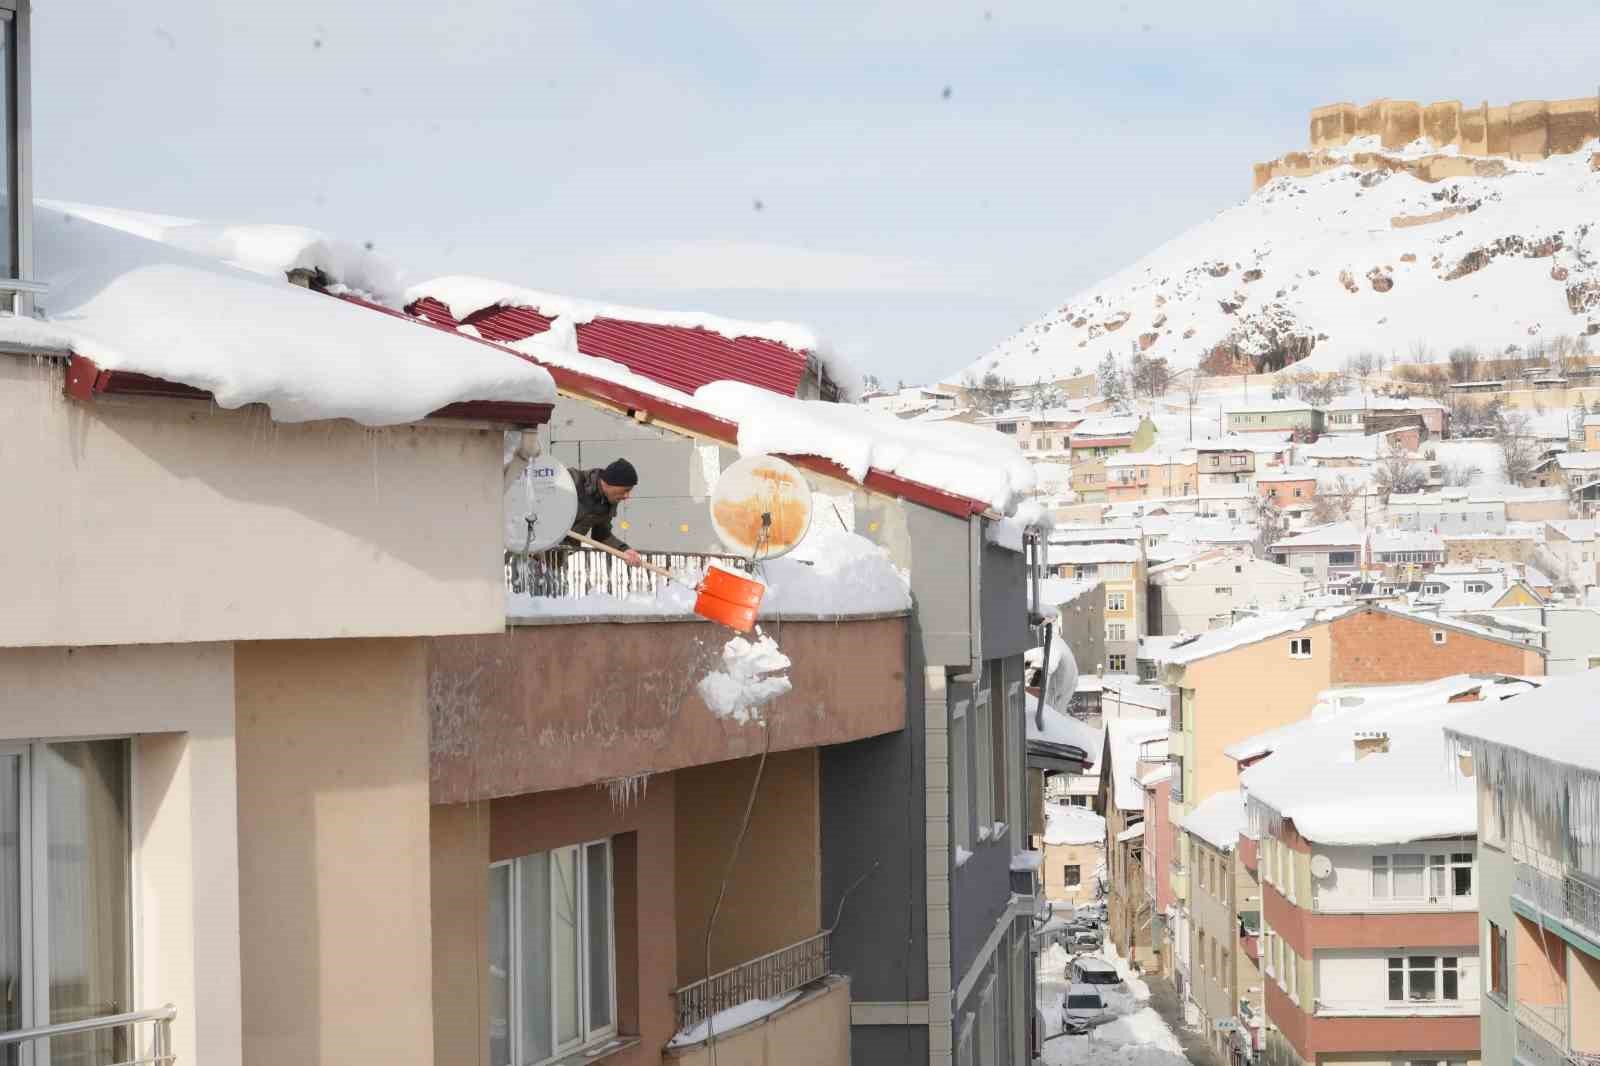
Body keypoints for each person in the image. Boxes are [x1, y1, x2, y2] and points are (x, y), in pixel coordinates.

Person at [570, 458, 643, 565]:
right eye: (625, 490)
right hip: (539, 550)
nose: (627, 496)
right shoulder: (573, 480)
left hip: (555, 559)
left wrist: (624, 550)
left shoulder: (608, 502)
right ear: (610, 482)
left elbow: (601, 535)